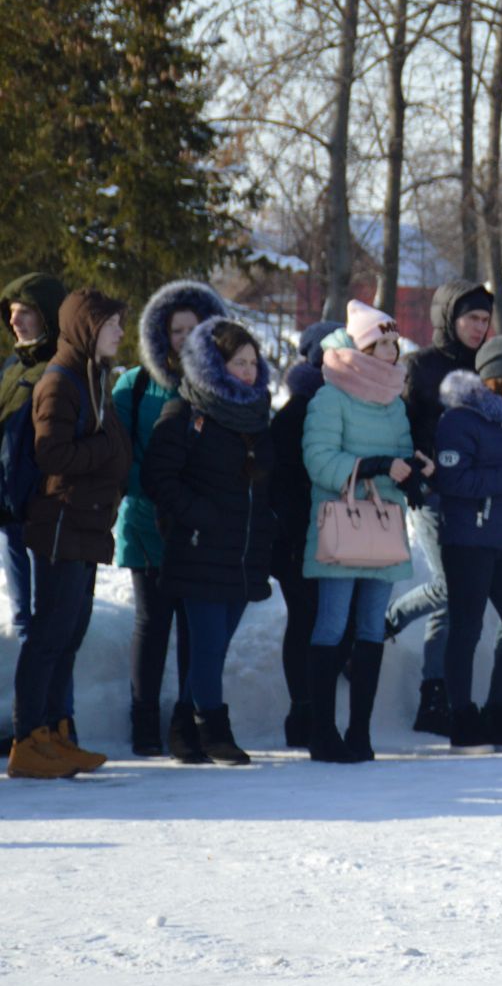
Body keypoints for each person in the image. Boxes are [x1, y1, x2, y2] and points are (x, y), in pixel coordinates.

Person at [9, 289, 132, 780]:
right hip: (60, 522)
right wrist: (105, 448)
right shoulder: (61, 383)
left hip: (85, 523)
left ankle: (55, 732)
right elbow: (52, 456)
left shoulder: (93, 378)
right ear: (87, 329)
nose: (121, 333)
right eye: (112, 326)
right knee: (48, 635)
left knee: (70, 632)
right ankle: (28, 739)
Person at [141, 319, 276, 766]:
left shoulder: (258, 415)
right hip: (200, 548)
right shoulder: (188, 411)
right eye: (239, 363)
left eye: (253, 363)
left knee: (213, 649)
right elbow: (158, 476)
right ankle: (215, 732)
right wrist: (200, 517)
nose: (249, 372)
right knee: (207, 645)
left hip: (242, 552)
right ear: (216, 365)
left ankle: (186, 727)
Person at [302, 302, 427, 763]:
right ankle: (321, 730)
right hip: (342, 527)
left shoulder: (393, 400)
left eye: (395, 345)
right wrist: (373, 467)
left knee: (373, 628)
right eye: (384, 344)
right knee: (333, 624)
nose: (393, 353)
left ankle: (359, 731)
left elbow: (401, 451)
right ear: (363, 346)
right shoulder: (330, 396)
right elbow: (319, 460)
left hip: (384, 527)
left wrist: (415, 467)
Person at [112, 280, 229, 761]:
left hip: (201, 527)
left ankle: (186, 723)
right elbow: (120, 455)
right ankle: (143, 719)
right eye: (176, 329)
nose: (185, 337)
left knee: (194, 625)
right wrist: (165, 490)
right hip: (148, 522)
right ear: (162, 335)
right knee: (152, 620)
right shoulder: (135, 385)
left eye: (194, 328)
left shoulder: (224, 387)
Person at [388, 279, 492, 736]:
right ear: (449, 318)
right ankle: (382, 624)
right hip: (430, 495)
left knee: (456, 600)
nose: (479, 327)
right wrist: (417, 468)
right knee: (450, 587)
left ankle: (435, 694)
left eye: (486, 319)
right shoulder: (420, 366)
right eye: (471, 317)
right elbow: (402, 426)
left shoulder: (485, 367)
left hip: (471, 495)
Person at [434, 336, 502, 753]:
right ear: (494, 378)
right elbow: (453, 480)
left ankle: (499, 713)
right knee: (466, 628)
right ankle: (461, 719)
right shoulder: (459, 420)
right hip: (468, 540)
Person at [0, 271, 67, 757]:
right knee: (27, 620)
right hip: (10, 513)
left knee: (53, 623)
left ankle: (55, 725)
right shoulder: (10, 369)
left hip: (43, 512)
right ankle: (32, 727)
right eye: (10, 311)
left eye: (24, 310)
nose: (13, 318)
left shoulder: (58, 370)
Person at [269, 320, 343, 749]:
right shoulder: (299, 408)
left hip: (332, 533)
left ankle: (315, 708)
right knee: (306, 618)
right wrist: (294, 531)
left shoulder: (342, 402)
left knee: (324, 618)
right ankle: (303, 710)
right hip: (298, 537)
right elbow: (282, 479)